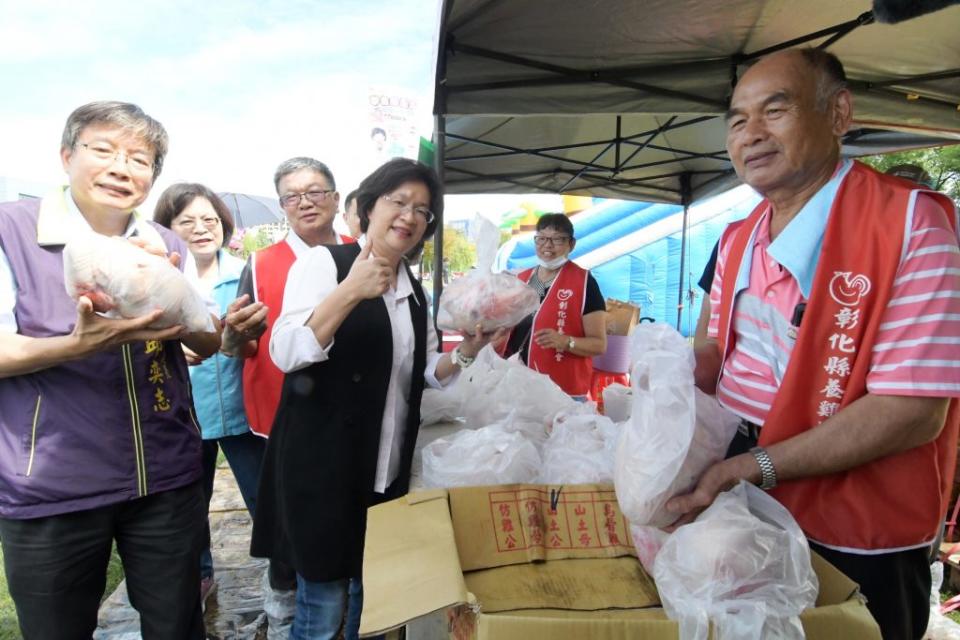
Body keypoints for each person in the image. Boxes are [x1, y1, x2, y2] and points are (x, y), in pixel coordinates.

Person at [667, 49, 960, 639]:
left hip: (855, 526)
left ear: (839, 113)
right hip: (745, 505)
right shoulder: (736, 236)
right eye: (737, 119)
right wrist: (658, 393)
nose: (751, 134)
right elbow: (719, 353)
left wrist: (755, 466)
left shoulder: (911, 224)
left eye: (775, 110)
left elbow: (911, 413)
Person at [251, 158, 504, 640]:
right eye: (399, 201)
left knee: (370, 600)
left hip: (382, 472)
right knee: (322, 605)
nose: (410, 216)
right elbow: (287, 352)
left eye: (423, 211)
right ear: (370, 207)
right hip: (321, 467)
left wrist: (469, 350)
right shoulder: (325, 263)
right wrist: (349, 293)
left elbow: (427, 372)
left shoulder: (414, 293)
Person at [0, 101, 221, 639]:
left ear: (151, 178)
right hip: (52, 485)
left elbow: (202, 339)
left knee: (178, 625)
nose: (122, 168)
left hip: (165, 476)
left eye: (139, 159)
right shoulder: (12, 231)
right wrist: (74, 346)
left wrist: (214, 327)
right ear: (66, 157)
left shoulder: (165, 244)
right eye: (104, 151)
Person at [233, 157, 354, 634]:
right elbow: (242, 341)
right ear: (282, 205)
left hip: (346, 414)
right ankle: (284, 615)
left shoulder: (363, 254)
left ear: (336, 198)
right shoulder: (261, 264)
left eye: (315, 191)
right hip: (278, 414)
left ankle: (340, 608)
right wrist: (228, 339)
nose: (305, 202)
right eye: (292, 195)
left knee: (338, 519)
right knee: (286, 525)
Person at [154, 183, 268, 606]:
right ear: (166, 228)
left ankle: (283, 572)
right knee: (189, 505)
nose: (202, 229)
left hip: (242, 411)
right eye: (187, 222)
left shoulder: (246, 272)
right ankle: (201, 575)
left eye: (210, 220)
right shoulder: (159, 279)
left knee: (263, 497)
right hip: (183, 416)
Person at [500, 213, 607, 399]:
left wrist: (566, 342)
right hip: (519, 387)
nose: (547, 245)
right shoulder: (523, 280)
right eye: (541, 238)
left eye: (557, 239)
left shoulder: (584, 282)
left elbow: (599, 344)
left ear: (571, 244)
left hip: (564, 394)